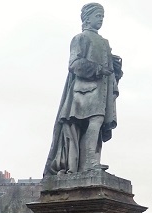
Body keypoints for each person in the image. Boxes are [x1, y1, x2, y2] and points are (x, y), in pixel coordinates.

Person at [44, 3, 122, 176]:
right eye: (98, 16)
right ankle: (88, 163)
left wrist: (115, 68)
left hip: (100, 93)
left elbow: (109, 70)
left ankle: (91, 161)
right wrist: (98, 69)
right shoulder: (80, 38)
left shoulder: (104, 42)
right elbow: (74, 64)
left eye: (102, 16)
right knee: (93, 122)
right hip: (83, 92)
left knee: (97, 123)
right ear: (87, 18)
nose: (101, 19)